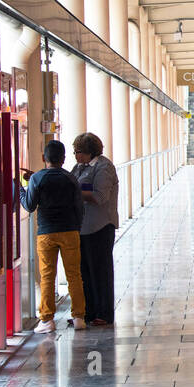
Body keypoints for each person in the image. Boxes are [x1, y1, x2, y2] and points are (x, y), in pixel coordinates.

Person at [19, 140, 87, 333]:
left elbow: (29, 205)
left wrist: (20, 190)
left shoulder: (37, 178)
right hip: (70, 231)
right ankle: (79, 317)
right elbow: (79, 207)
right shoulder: (70, 178)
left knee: (48, 276)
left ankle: (47, 320)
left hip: (46, 232)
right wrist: (76, 228)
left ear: (43, 158)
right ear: (63, 159)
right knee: (74, 275)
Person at [71, 132, 119, 327]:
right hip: (82, 227)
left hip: (100, 226)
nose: (76, 156)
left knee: (100, 271)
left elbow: (100, 197)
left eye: (79, 152)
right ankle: (88, 311)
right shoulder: (79, 167)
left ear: (90, 151)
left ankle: (104, 313)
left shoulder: (104, 167)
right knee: (84, 272)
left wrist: (73, 192)